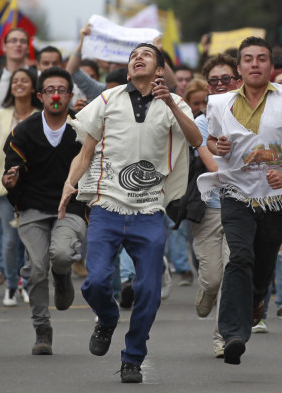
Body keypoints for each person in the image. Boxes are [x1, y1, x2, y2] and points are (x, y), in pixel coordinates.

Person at [59, 43, 201, 384]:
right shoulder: (108, 99)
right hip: (106, 206)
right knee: (94, 282)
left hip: (150, 210)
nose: (138, 58)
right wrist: (70, 185)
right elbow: (86, 150)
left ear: (160, 70)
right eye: (133, 55)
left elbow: (196, 139)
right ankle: (107, 318)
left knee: (149, 291)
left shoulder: (174, 103)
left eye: (146, 55)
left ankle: (132, 357)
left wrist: (170, 102)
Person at [198, 36, 282, 364]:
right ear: (239, 67)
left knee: (263, 263)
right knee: (239, 257)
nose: (255, 64)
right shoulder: (219, 104)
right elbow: (212, 141)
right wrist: (217, 148)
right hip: (235, 193)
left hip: (275, 199)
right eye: (249, 59)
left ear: (271, 66)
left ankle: (257, 301)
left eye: (262, 58)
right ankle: (233, 335)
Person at [1, 67, 86, 355]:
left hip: (70, 206)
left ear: (70, 95)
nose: (56, 95)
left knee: (61, 255)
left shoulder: (82, 129)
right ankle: (42, 328)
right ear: (40, 96)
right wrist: (10, 178)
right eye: (50, 90)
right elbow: (12, 167)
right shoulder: (24, 131)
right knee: (36, 268)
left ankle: (62, 276)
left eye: (62, 90)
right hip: (33, 207)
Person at [0, 68, 42, 306]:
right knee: (9, 238)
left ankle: (26, 282)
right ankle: (11, 286)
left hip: (35, 187)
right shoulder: (1, 116)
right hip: (5, 185)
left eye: (24, 80)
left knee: (29, 237)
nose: (19, 84)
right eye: (15, 80)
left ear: (34, 87)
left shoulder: (41, 115)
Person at [190, 53, 241, 357]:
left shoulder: (253, 116)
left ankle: (222, 337)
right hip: (209, 208)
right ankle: (206, 292)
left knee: (232, 270)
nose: (221, 85)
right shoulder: (200, 120)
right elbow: (204, 152)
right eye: (214, 81)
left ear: (238, 80)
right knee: (213, 278)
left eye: (226, 79)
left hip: (242, 206)